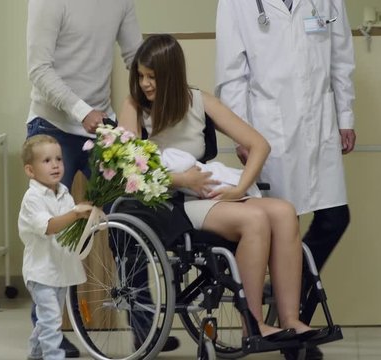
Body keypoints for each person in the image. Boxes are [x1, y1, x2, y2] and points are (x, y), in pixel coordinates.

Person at [118, 33, 328, 343]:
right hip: (173, 203)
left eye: (153, 76)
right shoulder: (135, 107)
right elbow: (130, 174)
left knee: (284, 212)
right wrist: (182, 180)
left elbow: (259, 144)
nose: (146, 84)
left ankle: (290, 319)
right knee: (255, 220)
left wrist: (239, 187)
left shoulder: (201, 101)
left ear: (171, 75)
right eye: (141, 76)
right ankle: (253, 324)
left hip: (211, 195)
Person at [25, 0, 174, 355]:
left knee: (128, 217)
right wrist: (81, 111)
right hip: (53, 124)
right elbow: (39, 70)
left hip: (100, 123)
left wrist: (167, 87)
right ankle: (48, 338)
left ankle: (144, 327)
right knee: (54, 233)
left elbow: (135, 56)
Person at [215, 1, 356, 358]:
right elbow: (232, 74)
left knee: (335, 218)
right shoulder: (236, 4)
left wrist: (346, 116)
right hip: (269, 130)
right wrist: (242, 134)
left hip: (320, 122)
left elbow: (340, 55)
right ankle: (294, 336)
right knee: (284, 223)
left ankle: (289, 306)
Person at [18, 135, 93, 360]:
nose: (55, 165)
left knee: (49, 318)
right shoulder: (32, 199)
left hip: (60, 269)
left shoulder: (63, 193)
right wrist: (75, 213)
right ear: (31, 171)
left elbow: (71, 225)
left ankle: (35, 351)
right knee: (51, 319)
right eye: (47, 160)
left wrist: (86, 217)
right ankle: (53, 356)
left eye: (59, 159)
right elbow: (49, 226)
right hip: (41, 272)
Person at [161, 147, 262, 198]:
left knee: (277, 210)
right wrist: (184, 179)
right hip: (206, 197)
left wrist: (239, 190)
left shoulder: (167, 154)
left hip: (213, 175)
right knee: (255, 218)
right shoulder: (152, 173)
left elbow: (260, 145)